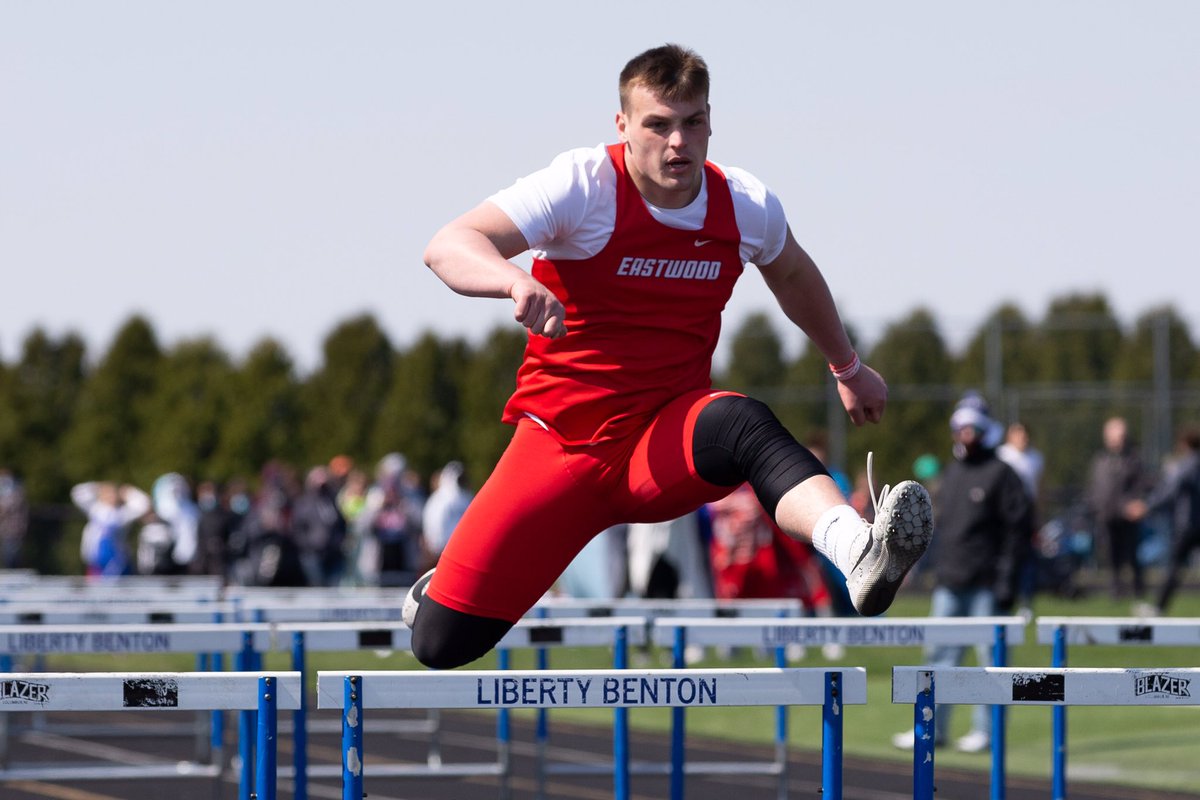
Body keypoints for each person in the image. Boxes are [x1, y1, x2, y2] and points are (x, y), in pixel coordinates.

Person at [405, 43, 933, 670]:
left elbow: (792, 274)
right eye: (658, 124)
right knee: (440, 645)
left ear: (711, 122)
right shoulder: (582, 186)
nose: (678, 143)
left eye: (693, 122)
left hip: (664, 439)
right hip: (561, 451)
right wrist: (512, 280)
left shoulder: (742, 203)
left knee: (742, 422)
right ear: (623, 125)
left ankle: (856, 552)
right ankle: (445, 585)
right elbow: (449, 244)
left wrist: (847, 365)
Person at [893, 392, 1030, 754]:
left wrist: (1007, 580)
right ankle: (930, 728)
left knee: (991, 662)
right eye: (961, 428)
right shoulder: (952, 474)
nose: (966, 435)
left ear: (985, 430)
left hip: (987, 585)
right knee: (937, 657)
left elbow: (1018, 532)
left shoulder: (1003, 473)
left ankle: (987, 733)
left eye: (973, 428)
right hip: (949, 583)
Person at [1127, 428, 1200, 616]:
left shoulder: (1188, 465)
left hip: (1189, 524)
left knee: (1174, 567)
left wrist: (1146, 506)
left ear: (1184, 444)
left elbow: (1170, 491)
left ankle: (1159, 608)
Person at [1085, 416, 1148, 598]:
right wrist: (1094, 505)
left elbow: (1142, 485)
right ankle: (1116, 591)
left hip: (1128, 515)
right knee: (1111, 555)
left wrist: (1136, 504)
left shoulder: (1133, 459)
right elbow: (1095, 486)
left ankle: (1138, 590)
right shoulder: (1100, 459)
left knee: (1132, 555)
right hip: (1106, 514)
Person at [996, 421, 1044, 616]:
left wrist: (1038, 516)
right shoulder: (1001, 456)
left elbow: (1040, 490)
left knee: (1027, 560)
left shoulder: (1036, 458)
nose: (1022, 438)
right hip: (1005, 514)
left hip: (1027, 514)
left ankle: (1026, 600)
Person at [71, 480, 151, 577]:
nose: (111, 496)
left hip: (117, 562)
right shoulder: (95, 509)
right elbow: (77, 493)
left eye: (113, 493)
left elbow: (143, 504)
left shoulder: (123, 514)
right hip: (96, 562)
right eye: (108, 493)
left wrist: (128, 493)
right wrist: (98, 487)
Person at [0, 469, 29, 570]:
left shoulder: (16, 491)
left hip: (13, 528)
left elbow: (8, 506)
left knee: (12, 554)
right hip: (7, 528)